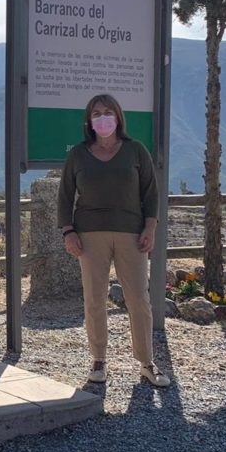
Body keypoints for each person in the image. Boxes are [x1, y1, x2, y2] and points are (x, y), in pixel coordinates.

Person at [57, 93, 171, 387]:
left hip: (131, 233)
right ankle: (98, 361)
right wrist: (68, 231)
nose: (103, 117)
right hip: (89, 235)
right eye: (97, 113)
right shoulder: (78, 155)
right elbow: (65, 196)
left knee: (138, 299)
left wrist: (150, 228)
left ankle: (146, 361)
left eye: (108, 112)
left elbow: (151, 193)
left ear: (119, 117)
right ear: (89, 120)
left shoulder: (136, 151)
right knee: (94, 299)